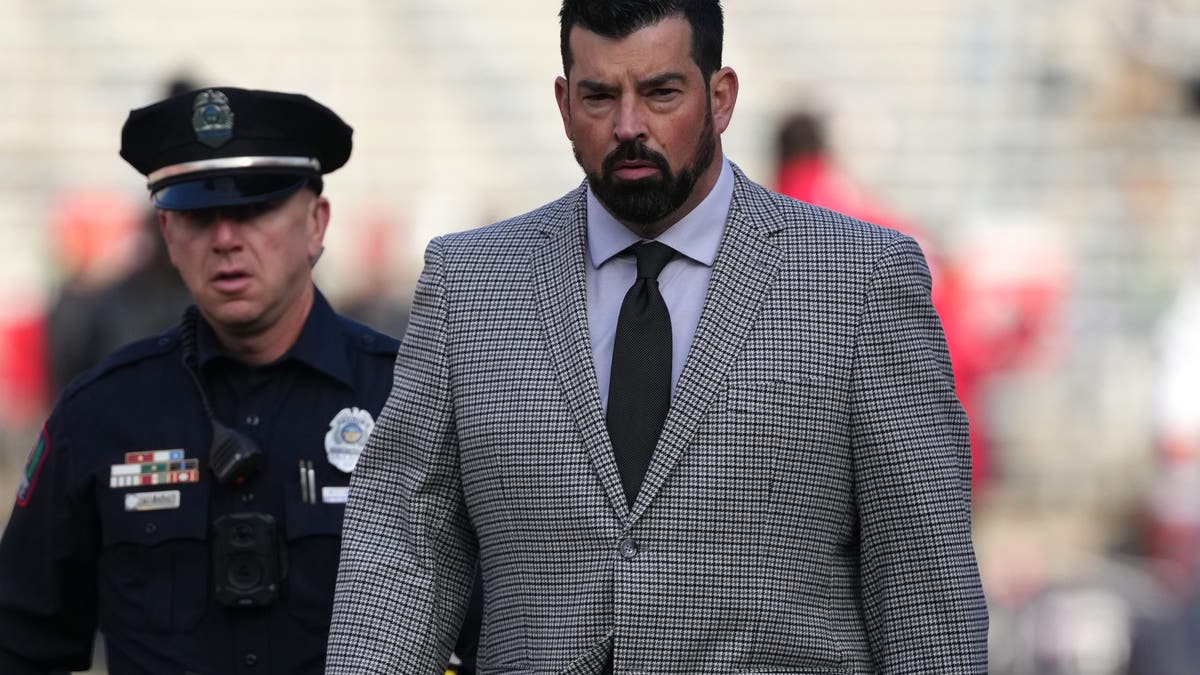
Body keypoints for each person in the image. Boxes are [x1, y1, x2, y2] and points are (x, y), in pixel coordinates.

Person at [327, 1, 989, 673]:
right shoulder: (467, 282)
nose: (628, 127)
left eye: (661, 92)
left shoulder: (861, 279)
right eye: (598, 97)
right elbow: (402, 554)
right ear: (562, 104)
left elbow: (921, 581)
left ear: (721, 97)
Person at [0, 86, 404, 674]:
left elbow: (488, 627)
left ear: (316, 224)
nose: (224, 240)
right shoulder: (100, 413)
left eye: (254, 210)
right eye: (197, 215)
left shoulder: (407, 396)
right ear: (167, 234)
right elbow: (20, 642)